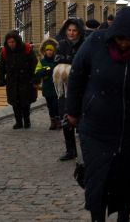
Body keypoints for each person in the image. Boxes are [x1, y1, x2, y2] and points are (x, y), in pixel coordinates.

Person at [66, 7, 130, 222]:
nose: (124, 43)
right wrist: (73, 111)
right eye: (120, 38)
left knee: (128, 180)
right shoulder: (95, 43)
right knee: (97, 180)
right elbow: (76, 75)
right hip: (96, 128)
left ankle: (124, 216)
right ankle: (97, 217)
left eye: (128, 39)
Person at [55, 17, 86, 161]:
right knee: (65, 117)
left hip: (81, 87)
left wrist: (70, 62)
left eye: (74, 30)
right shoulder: (62, 44)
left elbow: (84, 62)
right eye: (69, 30)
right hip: (64, 87)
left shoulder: (84, 44)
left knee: (82, 119)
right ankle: (70, 150)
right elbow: (57, 59)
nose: (72, 33)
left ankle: (87, 150)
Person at [0, 30, 38, 129]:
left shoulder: (27, 49)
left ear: (17, 41)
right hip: (12, 80)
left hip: (26, 79)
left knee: (25, 102)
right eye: (9, 42)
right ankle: (18, 121)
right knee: (15, 102)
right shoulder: (5, 51)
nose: (11, 44)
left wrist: (35, 78)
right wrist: (1, 78)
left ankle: (26, 120)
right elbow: (2, 66)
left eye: (13, 42)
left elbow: (34, 64)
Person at [35, 38, 60, 130]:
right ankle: (52, 121)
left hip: (56, 87)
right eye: (47, 50)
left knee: (56, 105)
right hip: (47, 87)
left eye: (51, 50)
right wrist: (46, 70)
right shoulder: (41, 62)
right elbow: (37, 73)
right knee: (50, 105)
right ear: (45, 51)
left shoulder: (57, 61)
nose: (49, 52)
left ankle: (58, 121)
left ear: (54, 52)